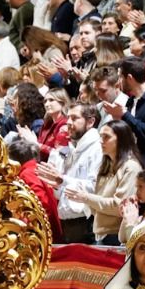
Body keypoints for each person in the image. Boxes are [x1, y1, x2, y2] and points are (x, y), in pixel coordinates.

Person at [67, 120, 142, 245]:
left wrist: (86, 197)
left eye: (106, 137)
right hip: (101, 233)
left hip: (117, 236)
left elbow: (121, 206)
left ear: (121, 139)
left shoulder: (131, 167)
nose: (101, 141)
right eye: (101, 136)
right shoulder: (106, 165)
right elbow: (98, 203)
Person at [42, 102, 104, 244]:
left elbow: (95, 187)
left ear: (90, 121)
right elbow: (64, 189)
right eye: (68, 117)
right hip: (69, 220)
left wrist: (62, 180)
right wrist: (57, 184)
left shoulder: (97, 148)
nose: (68, 122)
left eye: (75, 118)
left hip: (85, 221)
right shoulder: (73, 147)